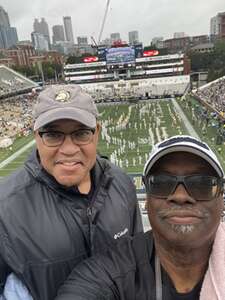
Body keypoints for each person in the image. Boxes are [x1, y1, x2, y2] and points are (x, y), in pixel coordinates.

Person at [0, 84, 143, 300]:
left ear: (97, 133)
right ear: (36, 136)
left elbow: (139, 261)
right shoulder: (5, 207)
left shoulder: (121, 182)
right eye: (53, 135)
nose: (68, 149)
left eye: (81, 133)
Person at [54, 135, 225, 300]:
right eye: (161, 182)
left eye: (202, 183)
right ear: (146, 199)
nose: (180, 196)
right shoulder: (110, 272)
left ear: (221, 196)